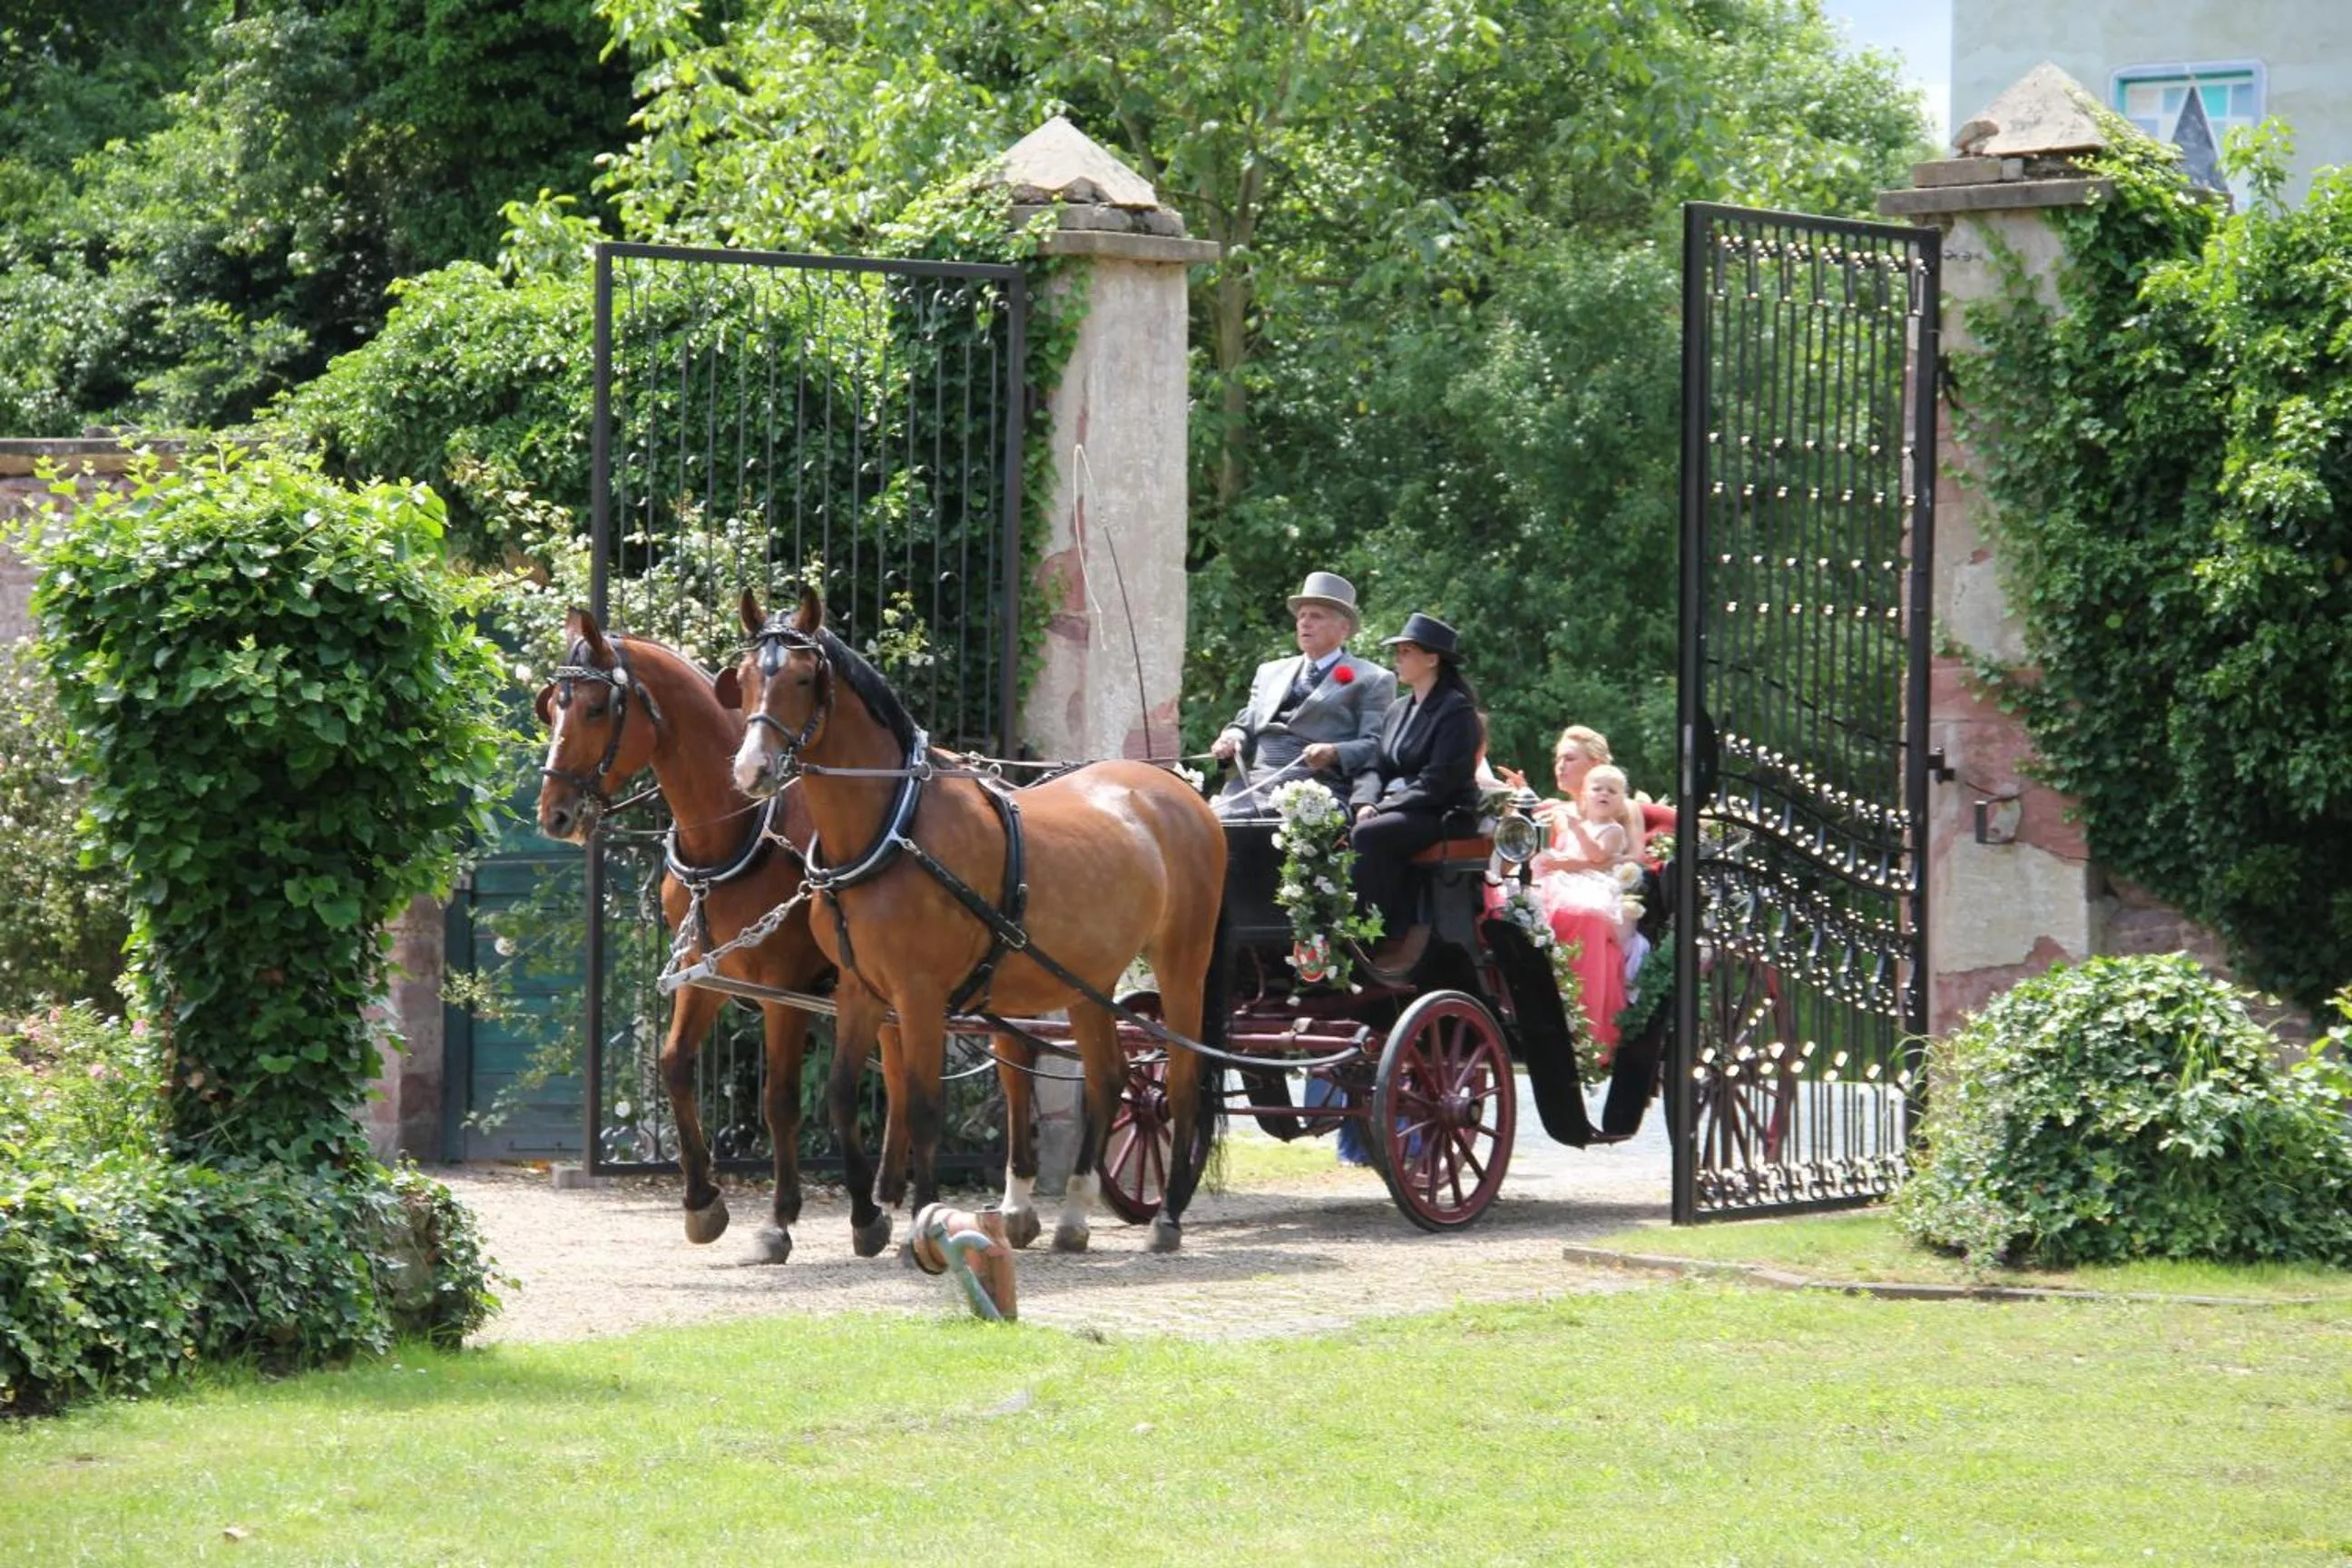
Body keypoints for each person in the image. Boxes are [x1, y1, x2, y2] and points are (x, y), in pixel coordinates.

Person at [1348, 612, 1482, 975]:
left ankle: (1366, 937)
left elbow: (1439, 781)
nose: (1398, 660)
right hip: (1400, 807)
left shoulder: (1455, 710)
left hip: (1440, 811)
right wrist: (1364, 801)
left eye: (1406, 651)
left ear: (1432, 658)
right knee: (1333, 826)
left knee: (1370, 834)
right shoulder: (1397, 710)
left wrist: (1382, 808)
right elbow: (1375, 764)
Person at [1210, 571, 1396, 818]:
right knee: (1205, 826)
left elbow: (1377, 746)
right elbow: (1246, 725)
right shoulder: (1269, 672)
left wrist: (1334, 752)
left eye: (1316, 616)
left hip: (1319, 788)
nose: (1304, 623)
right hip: (1253, 785)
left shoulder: (1372, 678)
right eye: (1301, 616)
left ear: (1344, 627)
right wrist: (1232, 738)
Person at [1534, 763, 1641, 1057]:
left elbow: (1594, 856)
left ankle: (1586, 1030)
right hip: (1563, 881)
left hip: (1590, 884)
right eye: (1597, 789)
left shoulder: (1614, 830)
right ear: (1585, 795)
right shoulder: (1571, 826)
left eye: (1612, 791)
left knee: (1585, 912)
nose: (1603, 794)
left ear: (1621, 799)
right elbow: (1563, 855)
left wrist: (1577, 832)